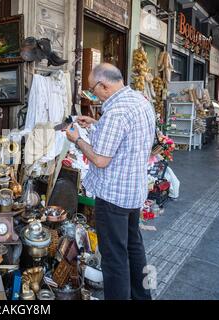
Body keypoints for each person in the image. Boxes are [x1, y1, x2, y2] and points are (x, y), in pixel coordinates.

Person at [65, 63, 155, 300]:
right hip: (133, 192)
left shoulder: (116, 112)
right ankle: (142, 296)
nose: (94, 95)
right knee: (134, 248)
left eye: (93, 90)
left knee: (115, 258)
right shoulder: (139, 101)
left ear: (103, 85)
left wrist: (76, 140)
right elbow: (125, 139)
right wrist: (95, 125)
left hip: (114, 196)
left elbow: (100, 159)